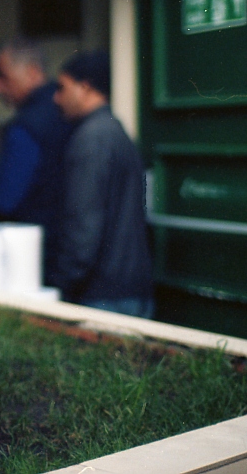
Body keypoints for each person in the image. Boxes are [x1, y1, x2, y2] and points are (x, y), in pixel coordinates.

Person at [51, 51, 154, 318]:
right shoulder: (116, 131)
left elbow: (83, 226)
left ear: (85, 88)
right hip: (131, 290)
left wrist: (62, 286)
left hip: (104, 297)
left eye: (62, 88)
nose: (56, 98)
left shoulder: (91, 139)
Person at [0, 39, 73, 283]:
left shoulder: (26, 127)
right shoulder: (73, 116)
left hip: (34, 259)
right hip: (72, 258)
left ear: (33, 73)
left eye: (2, 76)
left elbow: (4, 201)